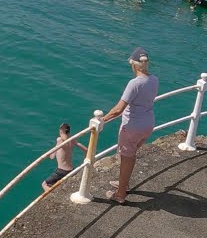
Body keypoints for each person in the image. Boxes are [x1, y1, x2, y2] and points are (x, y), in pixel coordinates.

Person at [100, 48, 158, 204]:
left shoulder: (134, 83)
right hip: (148, 124)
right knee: (129, 156)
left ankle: (120, 194)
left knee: (127, 158)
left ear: (133, 65)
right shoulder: (154, 79)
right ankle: (123, 183)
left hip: (132, 127)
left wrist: (102, 119)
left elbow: (119, 109)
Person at [43, 123, 88, 192]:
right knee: (58, 184)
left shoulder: (59, 140)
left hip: (61, 171)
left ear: (61, 131)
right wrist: (85, 161)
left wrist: (50, 153)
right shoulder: (72, 139)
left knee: (45, 184)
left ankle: (52, 197)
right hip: (71, 170)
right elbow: (86, 150)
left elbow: (52, 156)